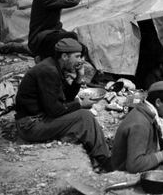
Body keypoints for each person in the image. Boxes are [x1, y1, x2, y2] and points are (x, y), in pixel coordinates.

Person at [15, 38, 111, 172]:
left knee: (81, 116)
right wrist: (80, 104)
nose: (80, 61)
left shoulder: (55, 66)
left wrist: (79, 77)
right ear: (65, 56)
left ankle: (98, 156)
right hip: (30, 125)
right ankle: (105, 161)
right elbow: (55, 110)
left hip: (40, 117)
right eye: (77, 56)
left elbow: (66, 97)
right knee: (85, 117)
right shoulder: (48, 71)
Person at [28, 0, 95, 60]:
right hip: (40, 39)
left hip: (51, 33)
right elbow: (72, 0)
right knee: (73, 39)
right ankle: (42, 56)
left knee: (79, 45)